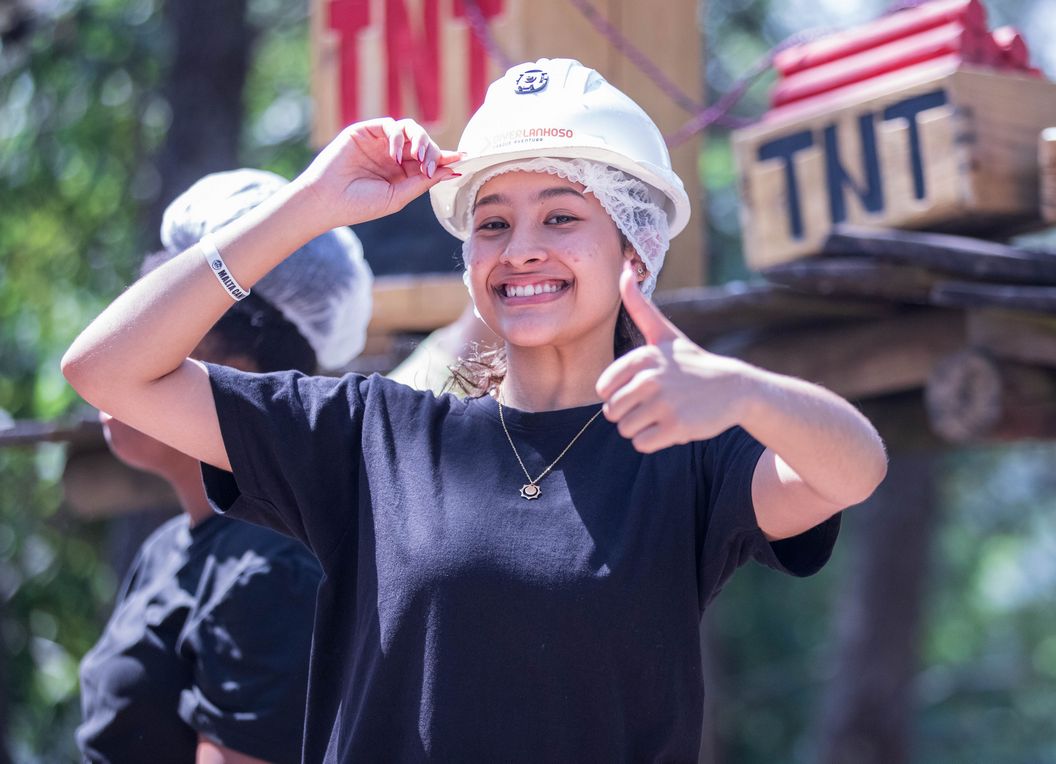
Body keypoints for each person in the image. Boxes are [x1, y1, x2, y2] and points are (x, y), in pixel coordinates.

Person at [63, 59, 888, 761]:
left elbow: (853, 469)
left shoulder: (687, 455)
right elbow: (107, 371)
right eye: (493, 223)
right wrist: (309, 203)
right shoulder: (370, 436)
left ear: (634, 250)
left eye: (560, 216)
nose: (520, 249)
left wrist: (743, 390)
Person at [75, 169, 373, 764]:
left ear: (237, 377)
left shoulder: (271, 569)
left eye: (151, 337)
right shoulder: (170, 547)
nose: (122, 352)